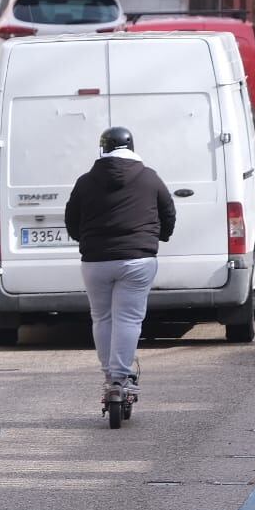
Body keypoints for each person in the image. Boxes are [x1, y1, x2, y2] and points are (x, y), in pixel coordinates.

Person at [64, 126, 176, 408]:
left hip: (96, 261)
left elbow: (71, 220)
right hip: (137, 260)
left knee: (102, 318)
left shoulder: (86, 181)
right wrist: (159, 236)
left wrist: (86, 240)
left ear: (102, 149)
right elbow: (169, 212)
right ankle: (120, 379)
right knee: (128, 319)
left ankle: (109, 377)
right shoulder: (149, 178)